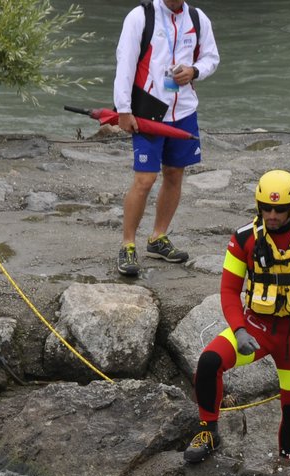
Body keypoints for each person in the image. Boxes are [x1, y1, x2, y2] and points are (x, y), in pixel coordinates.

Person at [184, 169, 290, 465]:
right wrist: (239, 329)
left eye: (280, 209)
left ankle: (288, 463)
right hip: (258, 328)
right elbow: (229, 290)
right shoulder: (244, 238)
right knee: (209, 362)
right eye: (266, 208)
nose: (272, 215)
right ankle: (208, 431)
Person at [111, 0, 219, 279]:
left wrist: (195, 71)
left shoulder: (197, 18)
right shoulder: (141, 16)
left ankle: (158, 238)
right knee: (145, 180)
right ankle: (128, 244)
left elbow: (211, 57)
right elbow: (125, 61)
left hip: (183, 110)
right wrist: (123, 109)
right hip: (148, 111)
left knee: (174, 175)